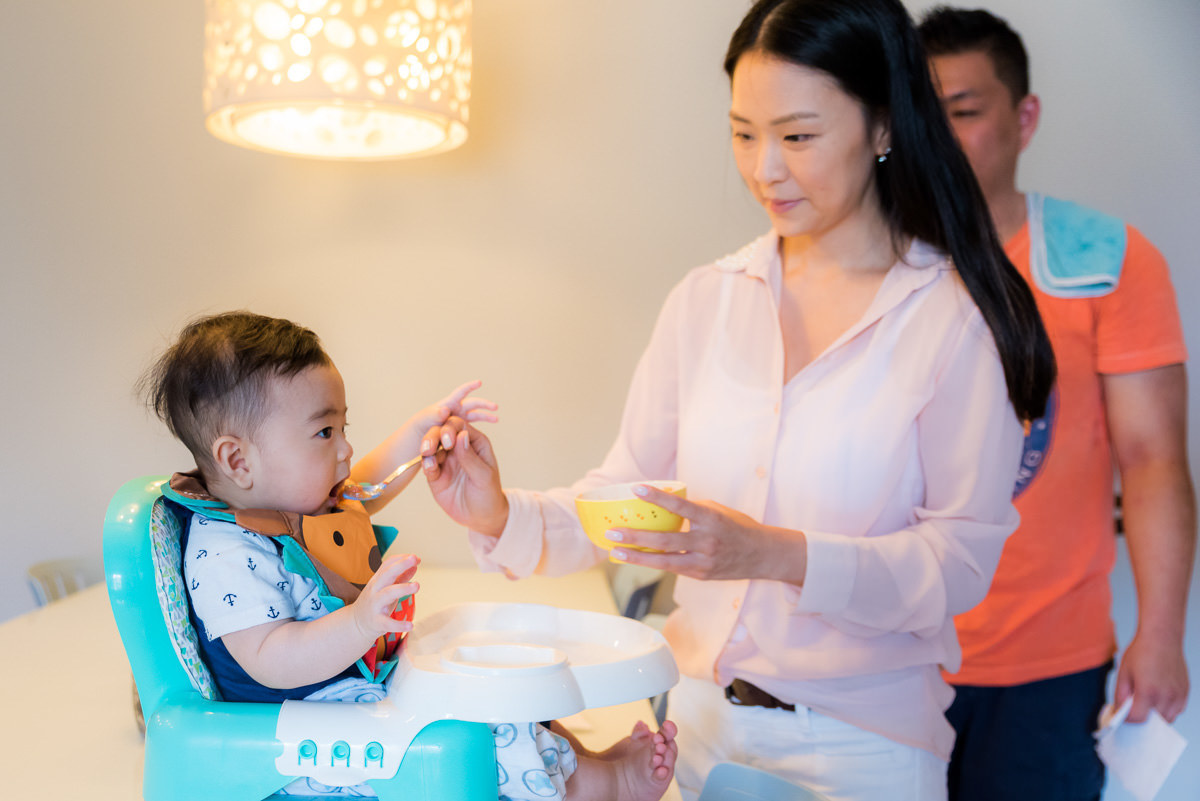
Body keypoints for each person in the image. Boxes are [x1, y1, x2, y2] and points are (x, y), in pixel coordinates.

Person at [411, 1, 1056, 799]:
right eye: (744, 134)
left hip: (862, 755)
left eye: (797, 136)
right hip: (697, 732)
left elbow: (956, 566)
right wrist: (499, 513)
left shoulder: (953, 320)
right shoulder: (706, 300)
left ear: (884, 125)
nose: (764, 168)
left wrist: (773, 553)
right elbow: (628, 500)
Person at [139, 310, 678, 801]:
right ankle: (600, 788)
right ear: (238, 460)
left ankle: (581, 758)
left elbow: (366, 484)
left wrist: (421, 433)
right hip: (305, 730)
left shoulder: (296, 501)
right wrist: (359, 623)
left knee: (495, 685)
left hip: (356, 690)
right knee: (475, 731)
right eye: (324, 432)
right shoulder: (225, 552)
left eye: (344, 427)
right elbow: (271, 658)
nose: (346, 448)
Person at [917, 8, 1195, 800]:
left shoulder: (1104, 260)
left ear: (1024, 117)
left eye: (964, 112)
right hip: (885, 658)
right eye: (922, 117)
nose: (940, 141)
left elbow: (1153, 459)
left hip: (1048, 670)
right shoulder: (867, 264)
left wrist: (1161, 635)